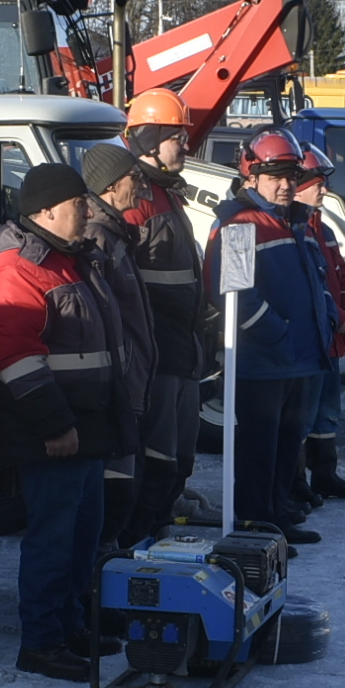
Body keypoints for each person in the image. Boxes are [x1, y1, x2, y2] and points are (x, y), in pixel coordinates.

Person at [0, 163, 139, 679]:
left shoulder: (70, 259)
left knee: (82, 532)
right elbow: (14, 357)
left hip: (87, 427)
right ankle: (42, 642)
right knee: (53, 538)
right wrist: (54, 425)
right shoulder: (18, 268)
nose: (90, 211)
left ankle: (73, 626)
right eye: (80, 204)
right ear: (48, 210)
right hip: (54, 433)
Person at [202, 130, 336, 543]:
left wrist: (326, 318)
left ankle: (276, 516)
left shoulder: (294, 221)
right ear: (251, 176)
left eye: (292, 175)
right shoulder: (241, 223)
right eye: (274, 175)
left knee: (286, 446)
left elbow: (316, 280)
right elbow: (235, 297)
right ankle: (256, 525)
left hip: (299, 358)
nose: (285, 184)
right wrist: (278, 336)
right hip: (265, 363)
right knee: (259, 451)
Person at [113, 90, 209, 540]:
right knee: (157, 463)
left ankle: (155, 539)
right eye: (177, 137)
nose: (186, 146)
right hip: (158, 359)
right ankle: (132, 550)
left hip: (181, 353)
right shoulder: (139, 200)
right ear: (149, 139)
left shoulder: (166, 195)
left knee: (179, 462)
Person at [75, 140, 160, 554]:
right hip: (117, 391)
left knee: (123, 493)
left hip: (130, 384)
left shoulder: (116, 235)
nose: (140, 187)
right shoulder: (98, 239)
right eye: (133, 178)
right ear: (109, 187)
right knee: (111, 501)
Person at [294, 143, 345, 503]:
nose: (323, 189)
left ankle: (324, 474)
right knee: (304, 414)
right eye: (317, 182)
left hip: (330, 339)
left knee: (327, 411)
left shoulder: (320, 228)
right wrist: (339, 316)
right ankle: (297, 482)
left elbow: (339, 274)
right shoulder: (298, 229)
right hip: (314, 339)